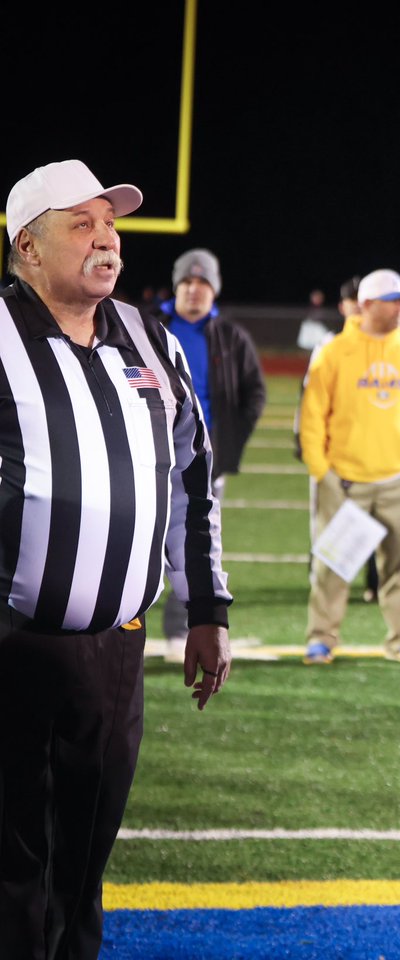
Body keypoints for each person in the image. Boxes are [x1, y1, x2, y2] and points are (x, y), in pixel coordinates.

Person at [0, 160, 232, 959]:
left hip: (115, 651)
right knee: (11, 867)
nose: (108, 240)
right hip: (13, 647)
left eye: (112, 225)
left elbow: (194, 471)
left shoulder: (147, 335)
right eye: (83, 224)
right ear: (26, 247)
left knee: (85, 863)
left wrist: (206, 611)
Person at [299, 267, 400, 664]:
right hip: (345, 481)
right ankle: (322, 637)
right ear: (365, 304)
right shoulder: (333, 352)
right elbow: (312, 417)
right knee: (332, 566)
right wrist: (322, 471)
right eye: (392, 301)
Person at [156, 248, 266, 659]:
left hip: (200, 457)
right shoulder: (148, 327)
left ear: (214, 290)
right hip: (149, 454)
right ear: (176, 286)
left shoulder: (230, 337)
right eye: (188, 282)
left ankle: (181, 623)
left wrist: (227, 442)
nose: (194, 290)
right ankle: (131, 614)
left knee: (194, 542)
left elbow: (254, 392)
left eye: (203, 284)